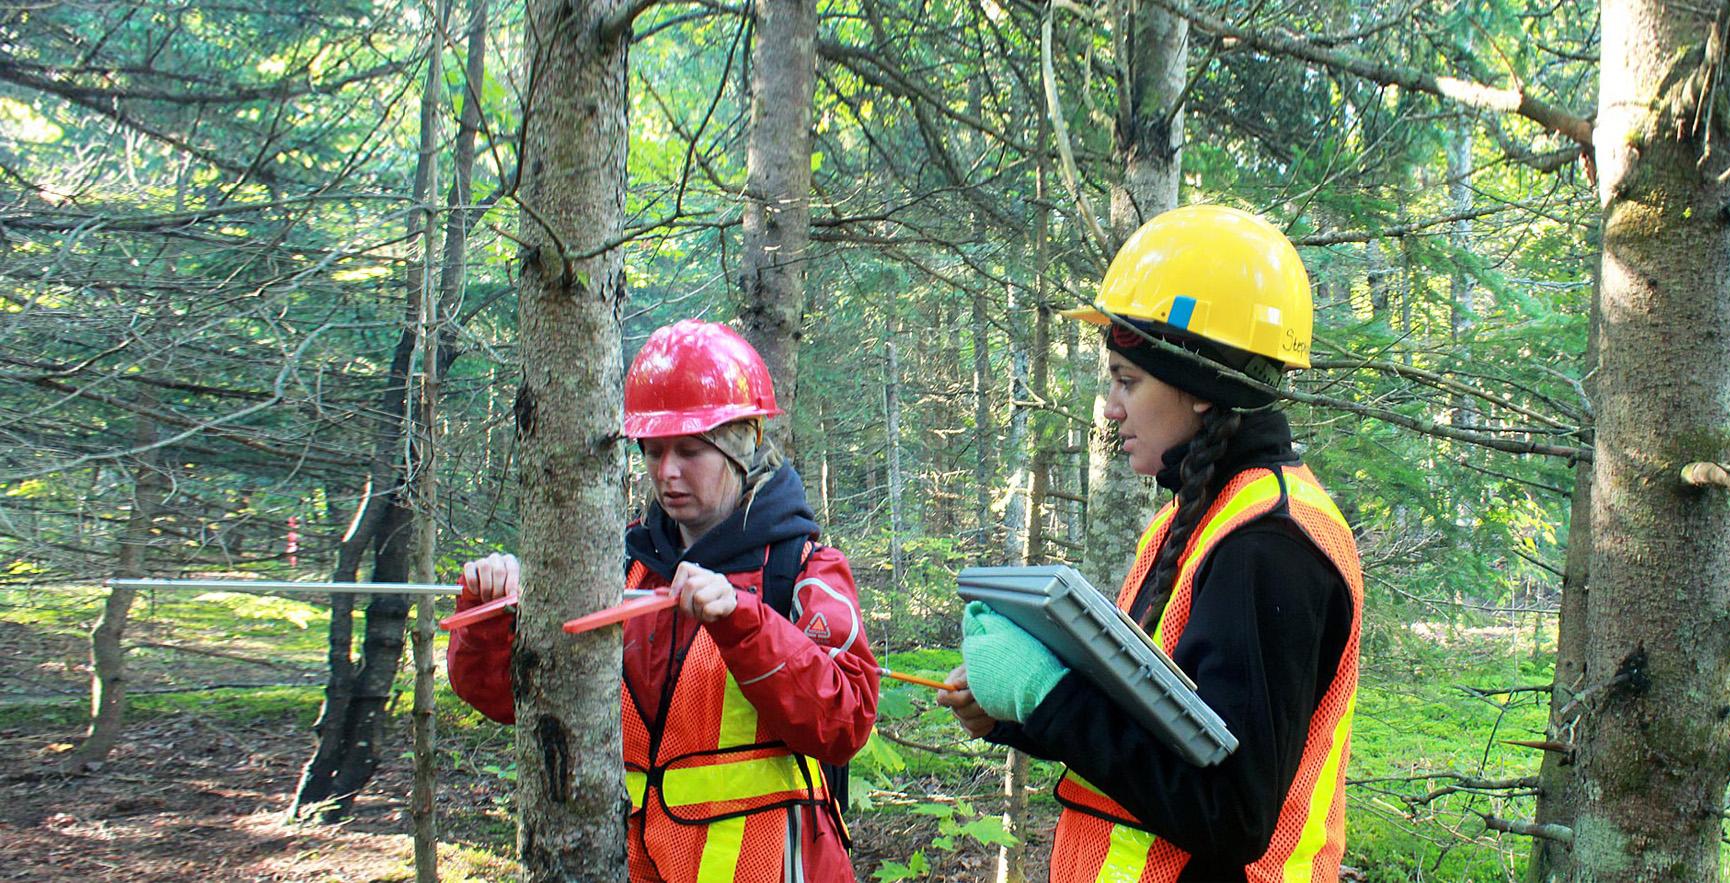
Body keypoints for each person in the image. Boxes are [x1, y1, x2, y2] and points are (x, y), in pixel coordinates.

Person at [937, 205, 1364, 882]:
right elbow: (1157, 734)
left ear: (1201, 388)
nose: (1109, 406)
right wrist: (1011, 714)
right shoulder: (1194, 520)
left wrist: (1047, 695)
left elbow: (1233, 812)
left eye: (1126, 381)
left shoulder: (1270, 546)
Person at [448, 319, 880, 883]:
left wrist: (741, 621)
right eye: (653, 451)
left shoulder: (804, 569)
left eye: (689, 450)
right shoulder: (620, 566)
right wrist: (489, 616)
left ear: (742, 446)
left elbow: (845, 723)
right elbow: (513, 702)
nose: (666, 472)